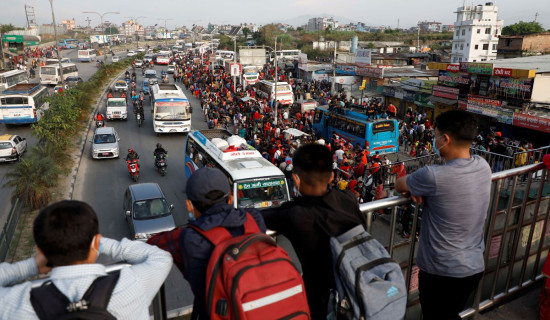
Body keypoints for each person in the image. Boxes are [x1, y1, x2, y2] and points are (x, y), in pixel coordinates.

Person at [0, 200, 172, 320]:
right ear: (96, 242)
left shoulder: (17, 303)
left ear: (40, 250)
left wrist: (32, 266)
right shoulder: (131, 285)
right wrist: (100, 243)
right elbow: (160, 256)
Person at [394, 110, 492, 320]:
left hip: (441, 271)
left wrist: (416, 188)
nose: (433, 139)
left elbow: (398, 183)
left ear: (445, 139)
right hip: (473, 268)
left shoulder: (432, 176)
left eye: (435, 135)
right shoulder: (483, 166)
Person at [147, 167, 266, 319]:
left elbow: (151, 243)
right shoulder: (254, 218)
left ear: (189, 205)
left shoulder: (187, 238)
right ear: (230, 199)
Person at [262, 143, 364, 319]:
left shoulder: (295, 214)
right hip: (358, 291)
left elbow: (256, 217)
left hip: (322, 303)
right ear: (331, 176)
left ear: (296, 179)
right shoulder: (348, 199)